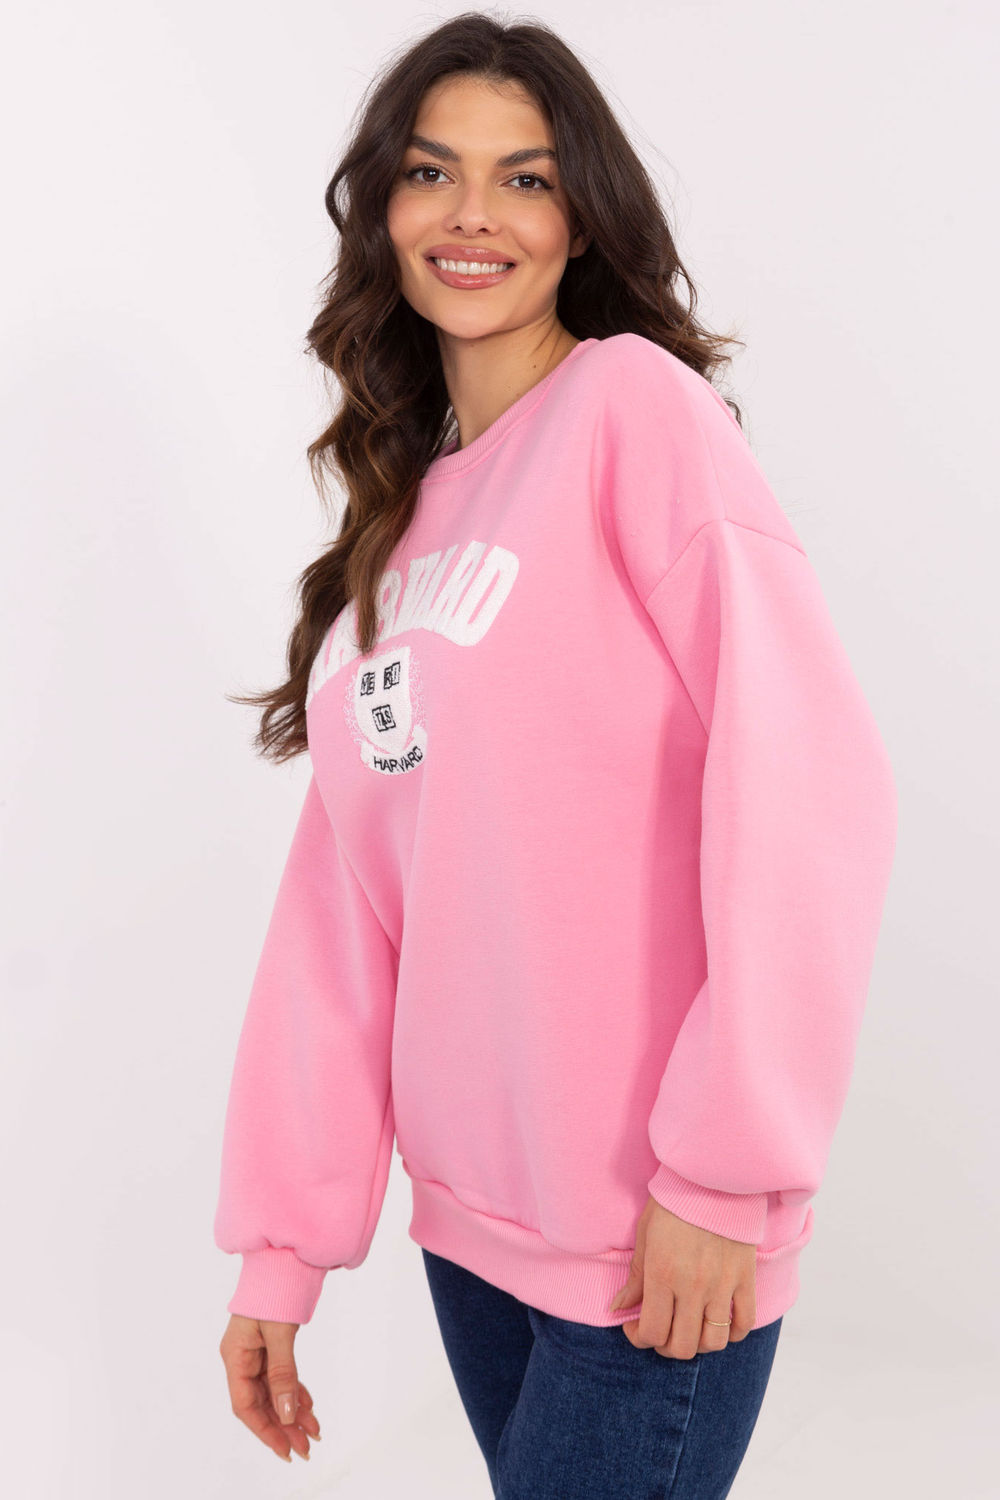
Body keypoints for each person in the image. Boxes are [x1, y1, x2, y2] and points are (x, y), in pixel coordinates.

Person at [214, 13, 898, 1496]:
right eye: (431, 172)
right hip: (473, 1232)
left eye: (523, 179)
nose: (473, 214)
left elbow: (807, 787)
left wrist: (725, 1171)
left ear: (579, 217)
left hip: (656, 1235)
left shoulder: (634, 411)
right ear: (382, 210)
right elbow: (344, 917)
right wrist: (282, 1247)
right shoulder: (400, 526)